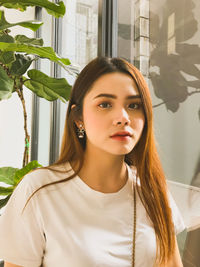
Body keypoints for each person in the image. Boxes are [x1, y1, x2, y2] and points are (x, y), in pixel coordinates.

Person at [0, 57, 185, 267]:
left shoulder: (152, 191)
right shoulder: (39, 191)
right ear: (78, 118)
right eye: (105, 104)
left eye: (134, 105)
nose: (123, 117)